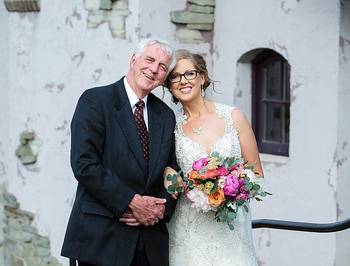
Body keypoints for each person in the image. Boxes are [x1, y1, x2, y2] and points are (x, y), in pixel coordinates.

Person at [61, 37, 179, 266]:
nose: (154, 69)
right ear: (134, 59)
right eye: (150, 59)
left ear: (164, 77)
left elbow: (172, 168)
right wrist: (131, 201)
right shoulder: (95, 100)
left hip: (150, 241)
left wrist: (159, 211)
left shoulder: (165, 115)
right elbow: (84, 165)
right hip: (102, 239)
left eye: (162, 66)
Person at [164, 49, 263, 265]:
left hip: (231, 229)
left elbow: (255, 172)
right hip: (189, 229)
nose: (183, 81)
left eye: (189, 73)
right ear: (169, 85)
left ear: (202, 77)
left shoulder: (234, 116)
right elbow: (167, 174)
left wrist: (231, 189)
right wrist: (172, 179)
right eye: (175, 76)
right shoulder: (169, 126)